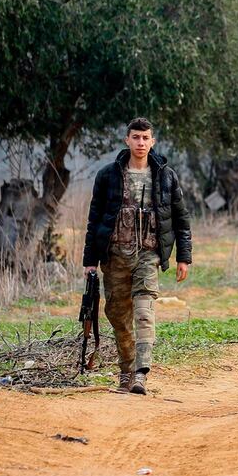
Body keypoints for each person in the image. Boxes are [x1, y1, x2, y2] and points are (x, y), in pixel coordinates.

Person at [82, 117, 192, 395]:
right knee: (118, 315)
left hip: (148, 254)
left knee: (144, 312)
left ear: (152, 141)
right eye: (136, 137)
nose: (140, 143)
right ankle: (126, 370)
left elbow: (180, 217)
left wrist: (184, 256)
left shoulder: (166, 176)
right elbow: (94, 219)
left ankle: (141, 374)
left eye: (145, 138)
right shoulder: (108, 175)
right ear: (127, 140)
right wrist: (89, 260)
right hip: (115, 256)